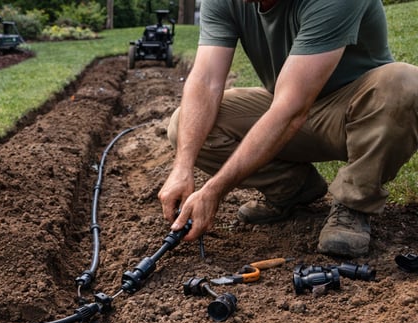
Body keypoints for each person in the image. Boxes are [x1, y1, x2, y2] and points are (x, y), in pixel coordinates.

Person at [157, 0, 418, 258]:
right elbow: (206, 81)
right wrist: (182, 167)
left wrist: (214, 191)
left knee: (405, 83)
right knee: (185, 126)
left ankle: (354, 204)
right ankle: (293, 188)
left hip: (357, 113)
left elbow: (292, 110)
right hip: (285, 105)